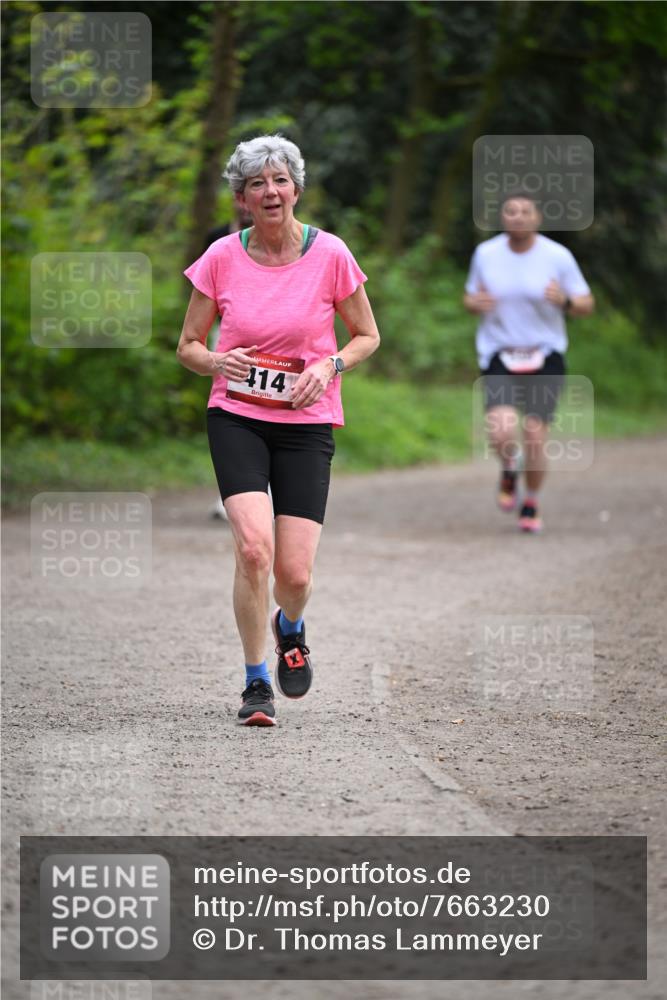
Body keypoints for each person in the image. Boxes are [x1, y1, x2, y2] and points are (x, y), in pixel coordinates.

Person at [177, 135, 380, 726]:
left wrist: (329, 364)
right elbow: (187, 345)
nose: (270, 192)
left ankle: (290, 625)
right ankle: (255, 682)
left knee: (294, 574)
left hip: (307, 424)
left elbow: (367, 335)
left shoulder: (331, 253)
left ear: (296, 187)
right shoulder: (220, 257)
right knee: (253, 550)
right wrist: (217, 362)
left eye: (280, 180)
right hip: (236, 416)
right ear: (241, 198)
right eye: (256, 184)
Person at [464, 192, 594, 533]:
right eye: (511, 211)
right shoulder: (486, 254)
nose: (518, 217)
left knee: (535, 434)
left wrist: (564, 300)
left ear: (537, 217)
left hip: (545, 353)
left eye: (525, 211)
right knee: (501, 431)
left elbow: (586, 304)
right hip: (499, 352)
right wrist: (475, 302)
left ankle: (531, 499)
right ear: (503, 217)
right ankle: (510, 464)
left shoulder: (557, 256)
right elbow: (468, 296)